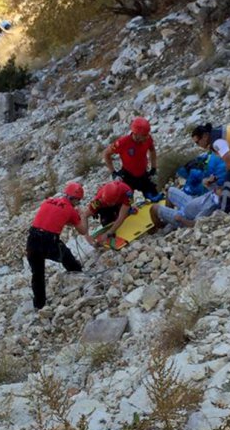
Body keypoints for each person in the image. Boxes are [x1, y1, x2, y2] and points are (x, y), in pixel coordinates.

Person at [26, 182, 88, 310]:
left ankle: (40, 306)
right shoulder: (71, 210)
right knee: (71, 262)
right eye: (78, 201)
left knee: (37, 274)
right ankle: (82, 287)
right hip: (49, 242)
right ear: (76, 199)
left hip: (32, 239)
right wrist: (82, 215)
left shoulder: (48, 201)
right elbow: (83, 231)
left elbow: (54, 217)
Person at [103, 117, 162, 201]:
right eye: (144, 135)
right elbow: (106, 154)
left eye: (147, 134)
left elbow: (152, 150)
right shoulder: (122, 142)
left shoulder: (148, 139)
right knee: (125, 203)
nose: (147, 137)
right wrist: (113, 173)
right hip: (128, 177)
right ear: (136, 134)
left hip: (143, 175)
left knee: (155, 198)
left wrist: (153, 168)